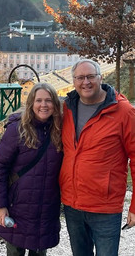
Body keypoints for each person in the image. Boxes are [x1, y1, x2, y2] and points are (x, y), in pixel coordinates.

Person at [60, 59, 135, 256]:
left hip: (105, 207)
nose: (86, 82)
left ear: (101, 78)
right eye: (80, 78)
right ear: (74, 81)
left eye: (91, 76)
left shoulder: (123, 112)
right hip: (72, 205)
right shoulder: (67, 109)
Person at [0, 82, 63, 256]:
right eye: (39, 100)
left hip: (46, 207)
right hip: (19, 206)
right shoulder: (17, 129)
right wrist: (0, 206)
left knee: (39, 251)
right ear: (31, 103)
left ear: (55, 103)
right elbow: (0, 169)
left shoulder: (60, 130)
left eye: (48, 100)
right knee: (15, 250)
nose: (43, 105)